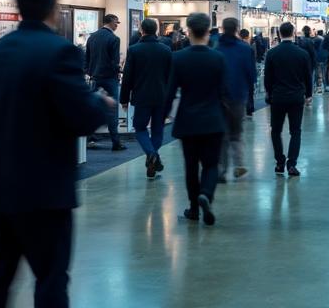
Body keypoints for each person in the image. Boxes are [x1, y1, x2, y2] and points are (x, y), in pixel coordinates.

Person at [0, 0, 112, 307]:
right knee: (50, 278)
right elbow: (81, 117)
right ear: (54, 7)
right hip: (43, 192)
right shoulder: (60, 52)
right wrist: (101, 104)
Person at [164, 13, 228, 226]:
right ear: (208, 31)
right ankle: (206, 194)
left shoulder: (178, 58)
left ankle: (193, 208)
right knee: (211, 164)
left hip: (188, 120)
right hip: (213, 119)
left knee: (190, 166)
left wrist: (163, 115)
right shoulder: (218, 58)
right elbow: (225, 92)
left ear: (188, 31)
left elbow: (170, 92)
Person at [119, 18, 172, 179]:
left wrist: (124, 98)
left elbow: (127, 76)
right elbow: (170, 76)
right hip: (161, 96)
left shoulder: (134, 50)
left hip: (141, 96)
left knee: (140, 127)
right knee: (158, 129)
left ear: (141, 30)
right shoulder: (165, 50)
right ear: (156, 30)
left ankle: (151, 154)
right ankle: (153, 157)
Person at [263, 22, 312, 177]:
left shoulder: (272, 53)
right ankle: (291, 164)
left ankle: (279, 162)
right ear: (293, 33)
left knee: (275, 131)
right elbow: (308, 76)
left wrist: (269, 93)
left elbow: (267, 78)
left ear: (279, 34)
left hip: (277, 97)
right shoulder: (302, 54)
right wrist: (309, 94)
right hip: (296, 97)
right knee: (295, 131)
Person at [213, 17, 255, 181]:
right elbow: (251, 75)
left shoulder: (215, 48)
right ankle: (239, 164)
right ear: (237, 29)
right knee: (237, 132)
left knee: (222, 134)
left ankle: (221, 170)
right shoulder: (245, 49)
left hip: (219, 97)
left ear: (223, 28)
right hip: (238, 96)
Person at [84, 14, 126, 151]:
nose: (117, 25)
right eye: (116, 22)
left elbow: (87, 58)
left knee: (92, 106)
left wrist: (89, 72)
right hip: (109, 78)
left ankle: (89, 137)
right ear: (111, 22)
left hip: (95, 77)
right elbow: (114, 61)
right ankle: (115, 141)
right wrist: (118, 70)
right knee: (113, 108)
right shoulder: (114, 39)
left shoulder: (92, 37)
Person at [239, 28, 257, 117]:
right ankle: (249, 110)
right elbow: (252, 63)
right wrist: (254, 78)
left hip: (240, 74)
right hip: (248, 73)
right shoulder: (249, 48)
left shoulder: (237, 47)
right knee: (250, 92)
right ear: (247, 36)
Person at [314, 29, 328, 93]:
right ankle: (325, 87)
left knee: (317, 73)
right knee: (324, 73)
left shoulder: (315, 40)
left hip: (317, 59)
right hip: (324, 59)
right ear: (322, 33)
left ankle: (318, 87)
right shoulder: (324, 40)